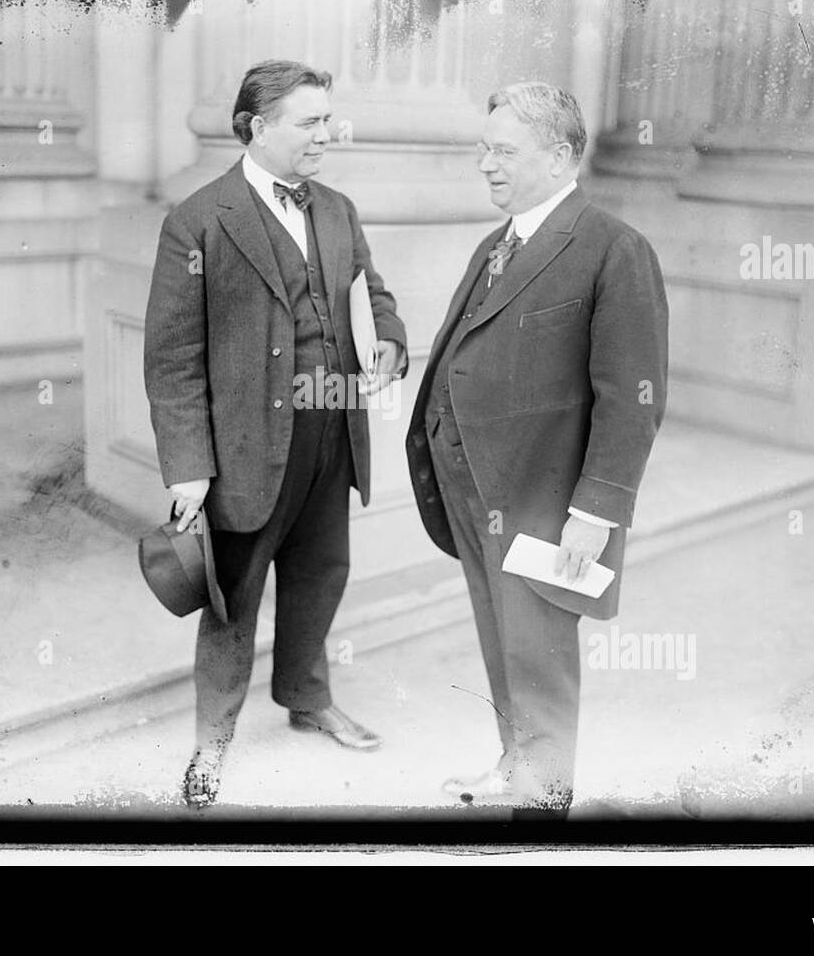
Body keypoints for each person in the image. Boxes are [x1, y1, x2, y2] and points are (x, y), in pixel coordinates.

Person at [144, 59, 408, 808]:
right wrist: (188, 468)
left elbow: (373, 294)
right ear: (258, 128)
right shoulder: (197, 221)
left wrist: (388, 340)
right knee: (233, 600)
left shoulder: (338, 209)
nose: (327, 134)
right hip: (245, 451)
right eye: (309, 122)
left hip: (331, 434)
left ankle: (305, 695)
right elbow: (171, 358)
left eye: (328, 119)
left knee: (322, 574)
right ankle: (211, 744)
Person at [404, 81, 668, 813]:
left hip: (545, 505)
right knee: (503, 649)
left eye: (503, 152)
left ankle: (542, 814)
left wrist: (597, 509)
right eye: (482, 149)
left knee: (541, 663)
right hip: (472, 491)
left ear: (558, 156)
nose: (486, 165)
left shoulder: (615, 250)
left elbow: (632, 398)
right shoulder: (500, 241)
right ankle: (516, 763)